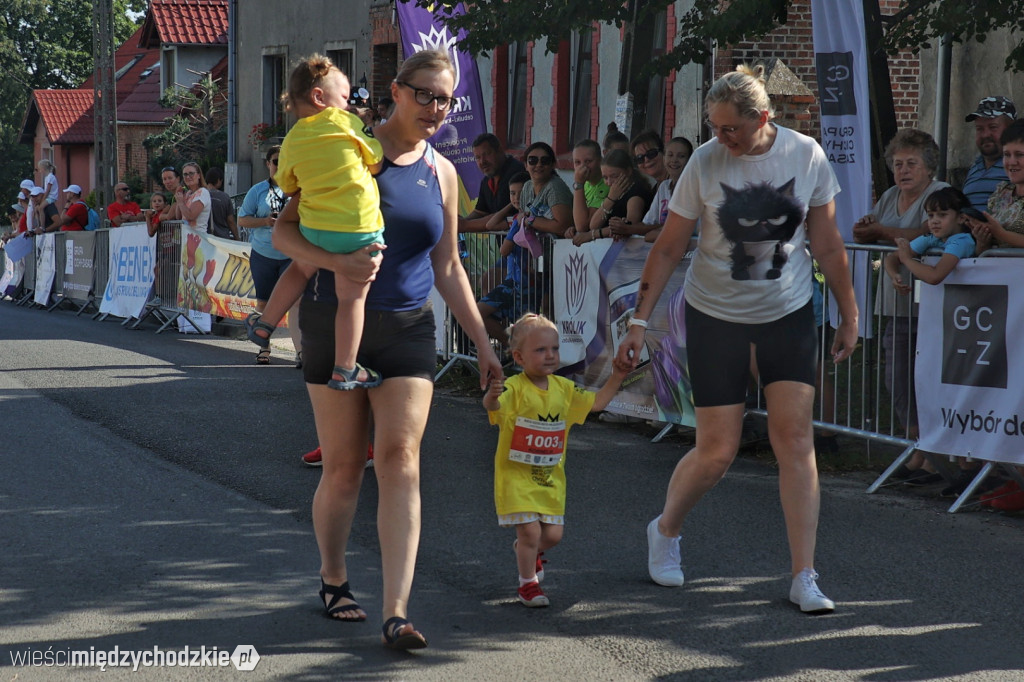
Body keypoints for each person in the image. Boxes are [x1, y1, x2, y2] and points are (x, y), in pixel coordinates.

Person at [271, 48, 502, 649]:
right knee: (346, 468)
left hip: (405, 328)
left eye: (445, 99)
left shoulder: (444, 173)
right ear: (396, 91)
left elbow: (448, 266)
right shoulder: (347, 144)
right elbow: (283, 232)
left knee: (400, 457)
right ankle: (334, 577)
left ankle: (397, 611)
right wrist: (336, 260)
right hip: (333, 321)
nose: (434, 108)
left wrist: (483, 343)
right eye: (423, 94)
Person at [616, 64, 858, 614]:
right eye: (714, 127)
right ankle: (667, 529)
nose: (721, 138)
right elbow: (670, 245)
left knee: (795, 440)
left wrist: (849, 312)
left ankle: (804, 575)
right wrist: (638, 320)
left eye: (731, 129)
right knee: (717, 451)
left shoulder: (806, 155)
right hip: (715, 314)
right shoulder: (704, 162)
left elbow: (826, 240)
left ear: (763, 118)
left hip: (787, 312)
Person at [244, 54, 384, 391]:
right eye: (345, 96)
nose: (349, 103)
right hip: (357, 227)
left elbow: (288, 185)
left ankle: (264, 324)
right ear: (321, 98)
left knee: (298, 269)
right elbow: (376, 160)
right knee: (351, 298)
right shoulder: (345, 121)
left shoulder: (291, 139)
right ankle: (346, 367)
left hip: (316, 227)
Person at [483, 313, 627, 607]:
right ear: (519, 357)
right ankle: (528, 586)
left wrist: (618, 376)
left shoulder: (564, 389)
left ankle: (528, 549)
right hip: (516, 477)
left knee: (553, 535)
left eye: (554, 349)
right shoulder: (515, 387)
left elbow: (597, 403)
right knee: (531, 530)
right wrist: (492, 396)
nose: (549, 356)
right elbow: (494, 407)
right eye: (540, 350)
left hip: (550, 480)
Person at [853, 128, 948, 481]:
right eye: (897, 164)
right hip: (894, 302)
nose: (903, 171)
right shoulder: (891, 194)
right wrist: (867, 228)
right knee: (897, 379)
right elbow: (871, 229)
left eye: (911, 163)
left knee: (926, 381)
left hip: (929, 305)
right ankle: (916, 446)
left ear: (928, 167)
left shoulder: (938, 194)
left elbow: (930, 234)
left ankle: (927, 455)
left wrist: (880, 231)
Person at [237, 146, 301, 366]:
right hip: (264, 253)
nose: (279, 165)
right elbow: (242, 219)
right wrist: (265, 221)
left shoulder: (298, 189)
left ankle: (300, 352)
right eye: (275, 161)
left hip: (291, 254)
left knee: (296, 304)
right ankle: (264, 348)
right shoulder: (258, 191)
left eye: (284, 161)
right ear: (268, 164)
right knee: (263, 303)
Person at [477, 171, 536, 346]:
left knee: (479, 312)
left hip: (524, 284)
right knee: (479, 313)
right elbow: (491, 224)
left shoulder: (527, 219)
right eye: (512, 193)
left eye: (521, 193)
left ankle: (517, 349)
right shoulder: (516, 218)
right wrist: (512, 205)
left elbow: (504, 250)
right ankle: (515, 348)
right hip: (514, 282)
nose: (517, 197)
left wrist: (518, 215)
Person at [574, 148, 652, 245]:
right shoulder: (615, 193)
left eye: (614, 176)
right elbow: (593, 225)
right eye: (605, 177)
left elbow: (629, 227)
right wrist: (610, 199)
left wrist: (592, 235)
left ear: (628, 171)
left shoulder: (636, 194)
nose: (609, 182)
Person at [969, 119, 1024, 250]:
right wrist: (982, 240)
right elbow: (984, 253)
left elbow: (1000, 234)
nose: (1011, 162)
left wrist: (1001, 234)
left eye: (1019, 155)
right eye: (1006, 155)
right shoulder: (1001, 193)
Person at [460, 133, 525, 233]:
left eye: (487, 154)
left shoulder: (517, 174)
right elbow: (480, 212)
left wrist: (464, 225)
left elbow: (503, 216)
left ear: (499, 150)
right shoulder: (486, 181)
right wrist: (461, 222)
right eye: (477, 157)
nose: (482, 161)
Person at [962, 96, 1014, 213]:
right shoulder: (974, 169)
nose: (985, 135)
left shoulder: (1017, 166)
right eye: (979, 129)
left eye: (993, 127)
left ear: (1011, 129)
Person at [641, 137, 694, 242]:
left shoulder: (693, 188)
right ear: (664, 158)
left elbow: (680, 231)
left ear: (690, 160)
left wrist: (652, 233)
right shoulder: (664, 187)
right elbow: (649, 222)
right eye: (670, 155)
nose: (674, 160)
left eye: (681, 156)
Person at [519, 141, 573, 238]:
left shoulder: (554, 187)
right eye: (532, 160)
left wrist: (531, 220)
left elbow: (562, 227)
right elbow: (522, 215)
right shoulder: (527, 186)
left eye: (545, 161)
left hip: (559, 248)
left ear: (553, 165)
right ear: (526, 165)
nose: (539, 164)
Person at [568, 139, 608, 235]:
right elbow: (578, 220)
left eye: (588, 161)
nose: (583, 167)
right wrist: (571, 229)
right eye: (577, 162)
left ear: (600, 161)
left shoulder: (607, 184)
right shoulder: (585, 185)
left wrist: (578, 183)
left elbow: (582, 226)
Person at [204, 167, 239, 240]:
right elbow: (230, 221)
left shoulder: (200, 195)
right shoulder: (225, 197)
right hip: (222, 238)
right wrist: (237, 238)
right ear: (218, 180)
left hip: (205, 237)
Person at [177, 162, 211, 232]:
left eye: (191, 173)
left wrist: (181, 203)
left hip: (197, 238)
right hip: (186, 237)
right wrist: (179, 198)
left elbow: (191, 216)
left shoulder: (202, 192)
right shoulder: (188, 193)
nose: (188, 177)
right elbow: (178, 217)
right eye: (185, 174)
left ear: (198, 175)